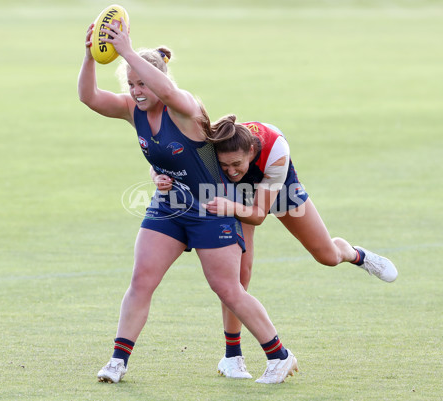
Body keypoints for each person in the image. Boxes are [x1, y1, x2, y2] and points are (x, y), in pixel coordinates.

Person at [78, 19, 297, 384]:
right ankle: (118, 361)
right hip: (169, 207)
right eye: (130, 84)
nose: (135, 91)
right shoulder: (133, 110)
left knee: (228, 288)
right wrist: (89, 56)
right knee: (141, 280)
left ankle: (280, 355)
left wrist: (128, 50)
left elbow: (168, 91)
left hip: (212, 208)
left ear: (159, 79)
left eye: (142, 82)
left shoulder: (184, 108)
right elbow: (89, 97)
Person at [151, 115, 397, 379]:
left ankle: (354, 253)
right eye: (225, 165)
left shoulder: (274, 151)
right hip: (234, 193)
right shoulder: (213, 144)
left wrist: (228, 207)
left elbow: (257, 214)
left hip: (276, 187)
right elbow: (164, 157)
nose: (231, 169)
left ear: (252, 151)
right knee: (238, 278)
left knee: (327, 256)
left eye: (237, 163)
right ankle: (232, 356)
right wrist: (156, 176)